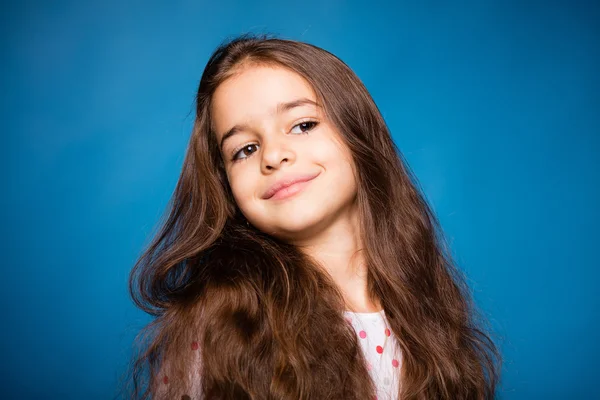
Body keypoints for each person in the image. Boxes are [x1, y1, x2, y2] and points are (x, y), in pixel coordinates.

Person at [127, 33, 501, 400]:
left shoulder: (428, 309)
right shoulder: (217, 331)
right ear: (224, 185)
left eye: (303, 125)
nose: (273, 155)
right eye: (245, 149)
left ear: (359, 134)